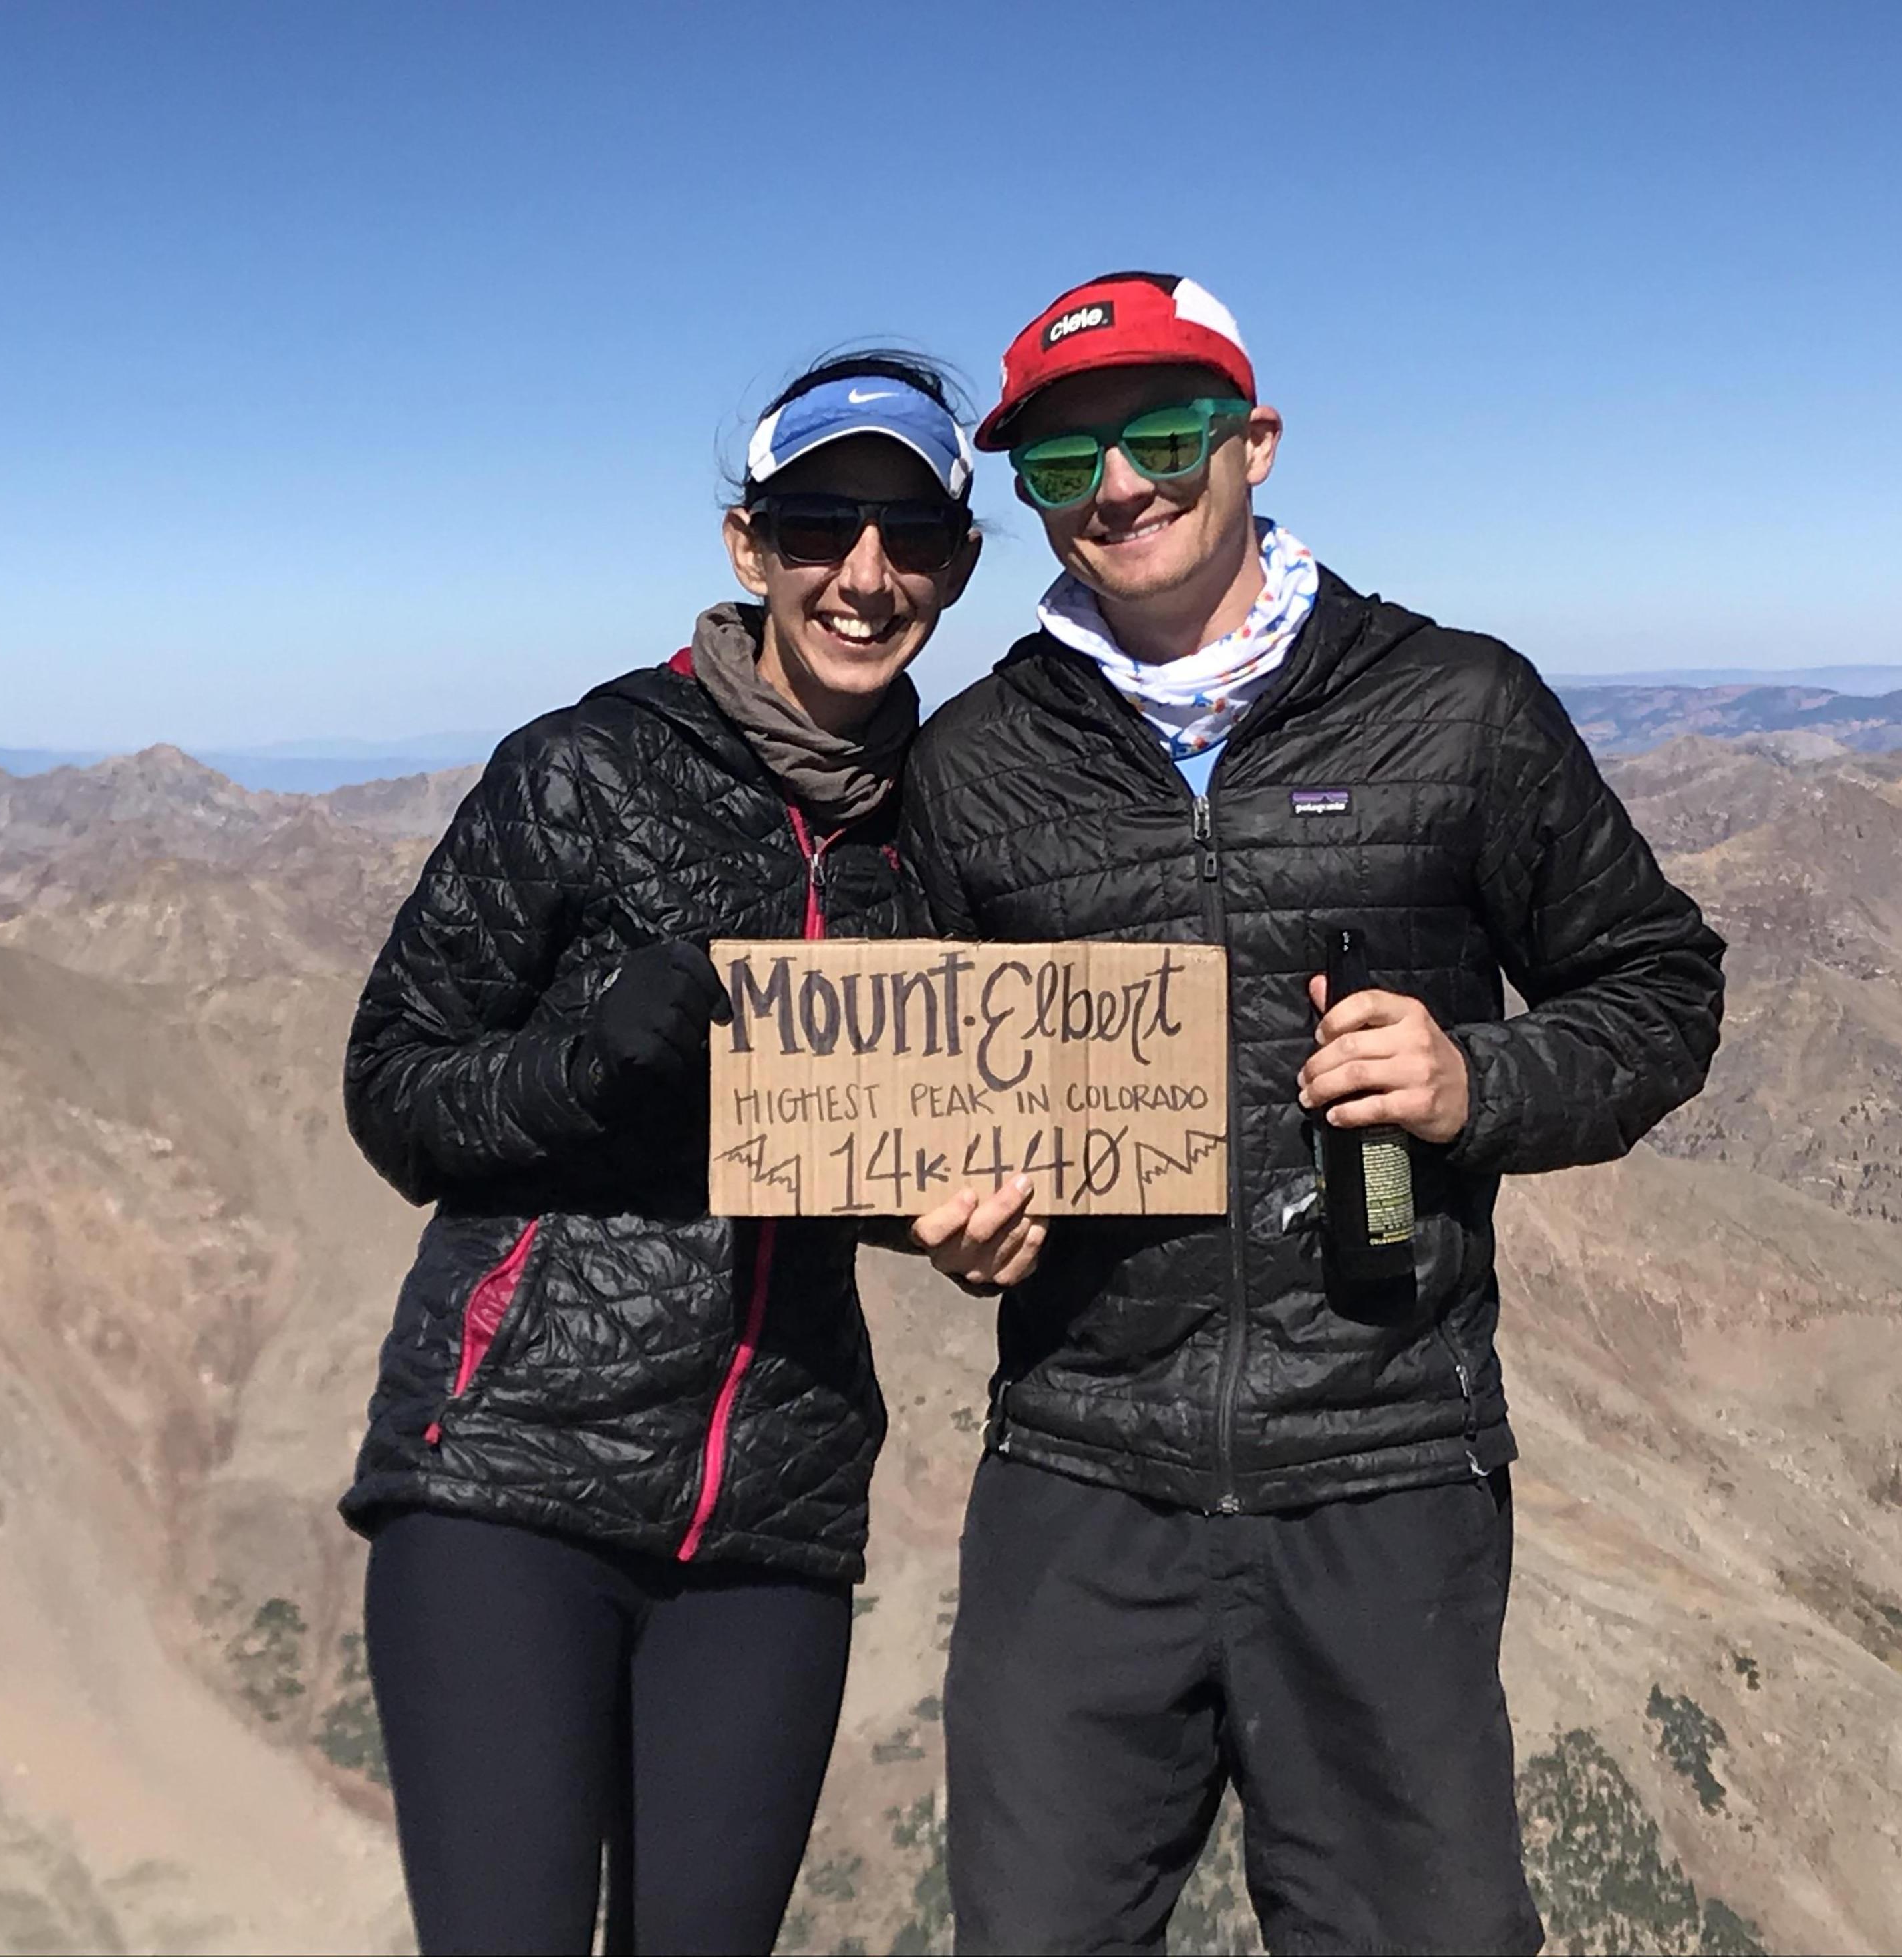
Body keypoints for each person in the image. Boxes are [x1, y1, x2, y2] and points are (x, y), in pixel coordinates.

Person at [899, 271, 1726, 1956]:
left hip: (1386, 1464)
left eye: (1165, 435)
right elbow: (911, 1085)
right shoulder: (972, 763)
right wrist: (938, 1214)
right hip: (1079, 1468)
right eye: (1066, 463)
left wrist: (1478, 1081)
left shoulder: (1458, 705)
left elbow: (1659, 987)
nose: (1120, 486)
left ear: (1255, 441)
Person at [338, 351, 1013, 1957]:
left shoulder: (952, 823)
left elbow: (891, 1140)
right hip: (507, 1480)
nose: (863, 574)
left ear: (960, 569)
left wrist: (949, 1226)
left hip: (771, 1504)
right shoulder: (581, 771)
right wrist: (586, 1064)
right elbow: (395, 1091)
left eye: (910, 537)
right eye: (819, 527)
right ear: (748, 548)